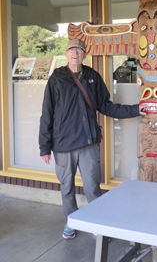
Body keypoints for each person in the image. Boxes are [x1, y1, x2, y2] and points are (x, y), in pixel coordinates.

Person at [39, 38, 147, 239]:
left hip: (88, 142)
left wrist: (136, 109)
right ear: (66, 53)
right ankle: (71, 222)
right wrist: (44, 146)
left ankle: (97, 223)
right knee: (67, 187)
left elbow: (106, 106)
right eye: (71, 50)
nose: (75, 53)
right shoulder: (57, 77)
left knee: (92, 187)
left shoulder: (92, 76)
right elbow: (47, 112)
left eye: (79, 50)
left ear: (84, 54)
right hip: (62, 144)